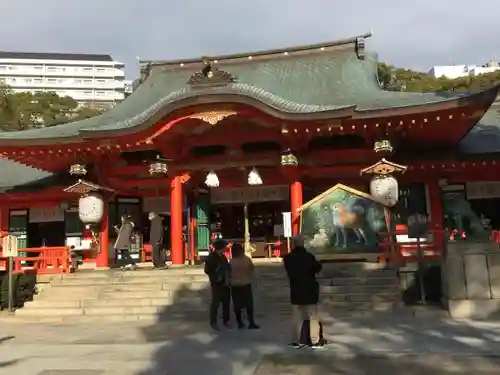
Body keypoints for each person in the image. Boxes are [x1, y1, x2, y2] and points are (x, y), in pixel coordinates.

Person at [283, 234, 322, 348]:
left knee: (296, 317)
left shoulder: (288, 258)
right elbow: (317, 268)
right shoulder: (309, 257)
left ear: (293, 244)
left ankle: (295, 341)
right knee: (312, 317)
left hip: (296, 289)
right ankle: (315, 341)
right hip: (309, 289)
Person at [230, 243, 260, 330]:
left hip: (235, 285)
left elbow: (229, 273)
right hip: (245, 283)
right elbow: (252, 269)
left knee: (237, 305)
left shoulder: (232, 262)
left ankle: (240, 322)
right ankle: (251, 322)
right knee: (249, 304)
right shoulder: (246, 259)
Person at [204, 239, 231, 330]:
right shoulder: (211, 257)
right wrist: (216, 277)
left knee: (226, 303)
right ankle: (213, 322)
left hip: (225, 283)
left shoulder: (223, 257)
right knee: (215, 303)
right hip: (216, 284)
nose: (225, 248)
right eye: (224, 247)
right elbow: (207, 270)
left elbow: (227, 268)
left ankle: (226, 320)